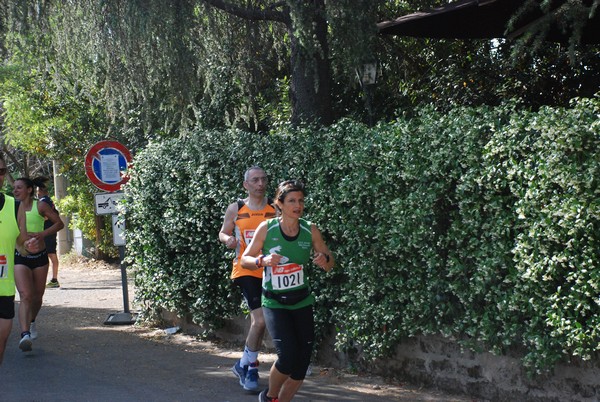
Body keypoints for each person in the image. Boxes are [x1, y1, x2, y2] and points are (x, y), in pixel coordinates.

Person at [240, 179, 334, 402]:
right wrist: (262, 260)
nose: (297, 205)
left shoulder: (309, 230)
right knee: (288, 356)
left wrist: (324, 260)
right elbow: (245, 260)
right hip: (275, 303)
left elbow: (330, 262)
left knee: (301, 363)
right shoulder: (267, 228)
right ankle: (270, 396)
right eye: (291, 200)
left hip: (302, 301)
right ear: (279, 204)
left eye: (300, 200)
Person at [219, 166, 276, 392]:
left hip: (272, 270)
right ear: (246, 185)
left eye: (263, 179)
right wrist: (228, 240)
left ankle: (242, 363)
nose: (260, 184)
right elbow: (223, 232)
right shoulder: (237, 208)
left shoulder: (275, 208)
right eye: (255, 180)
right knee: (260, 320)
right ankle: (251, 366)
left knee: (270, 320)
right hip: (246, 269)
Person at [12, 176, 64, 352]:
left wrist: (42, 234)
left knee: (37, 296)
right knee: (25, 295)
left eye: (19, 187)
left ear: (28, 190)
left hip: (39, 257)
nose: (15, 191)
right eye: (14, 188)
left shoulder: (40, 206)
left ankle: (32, 321)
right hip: (20, 256)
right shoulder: (12, 207)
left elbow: (59, 223)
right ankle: (24, 334)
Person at [0, 158, 41, 364]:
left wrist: (29, 246)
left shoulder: (14, 206)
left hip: (3, 291)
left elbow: (21, 246)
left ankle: (25, 330)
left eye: (1, 171)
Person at [36, 179, 61, 288]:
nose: (36, 192)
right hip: (49, 231)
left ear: (40, 190)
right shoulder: (48, 200)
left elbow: (46, 216)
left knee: (50, 254)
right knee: (50, 254)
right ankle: (52, 279)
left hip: (48, 230)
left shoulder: (44, 201)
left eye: (37, 190)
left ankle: (54, 280)